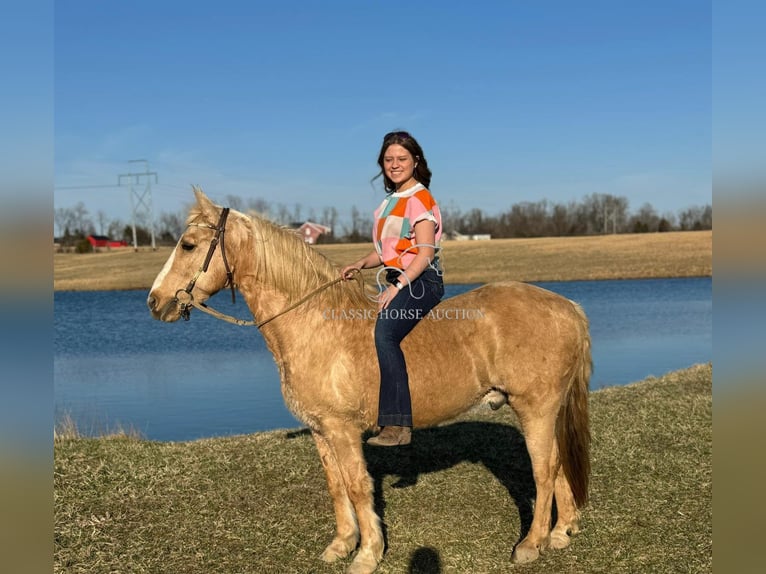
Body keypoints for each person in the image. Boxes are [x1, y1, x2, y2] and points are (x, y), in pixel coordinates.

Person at [341, 131, 444, 447]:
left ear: (415, 161)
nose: (395, 164)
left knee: (384, 333)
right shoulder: (389, 202)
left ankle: (398, 426)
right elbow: (389, 253)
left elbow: (424, 254)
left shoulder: (420, 199)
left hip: (421, 282)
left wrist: (397, 285)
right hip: (399, 277)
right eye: (389, 159)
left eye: (401, 158)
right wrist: (359, 263)